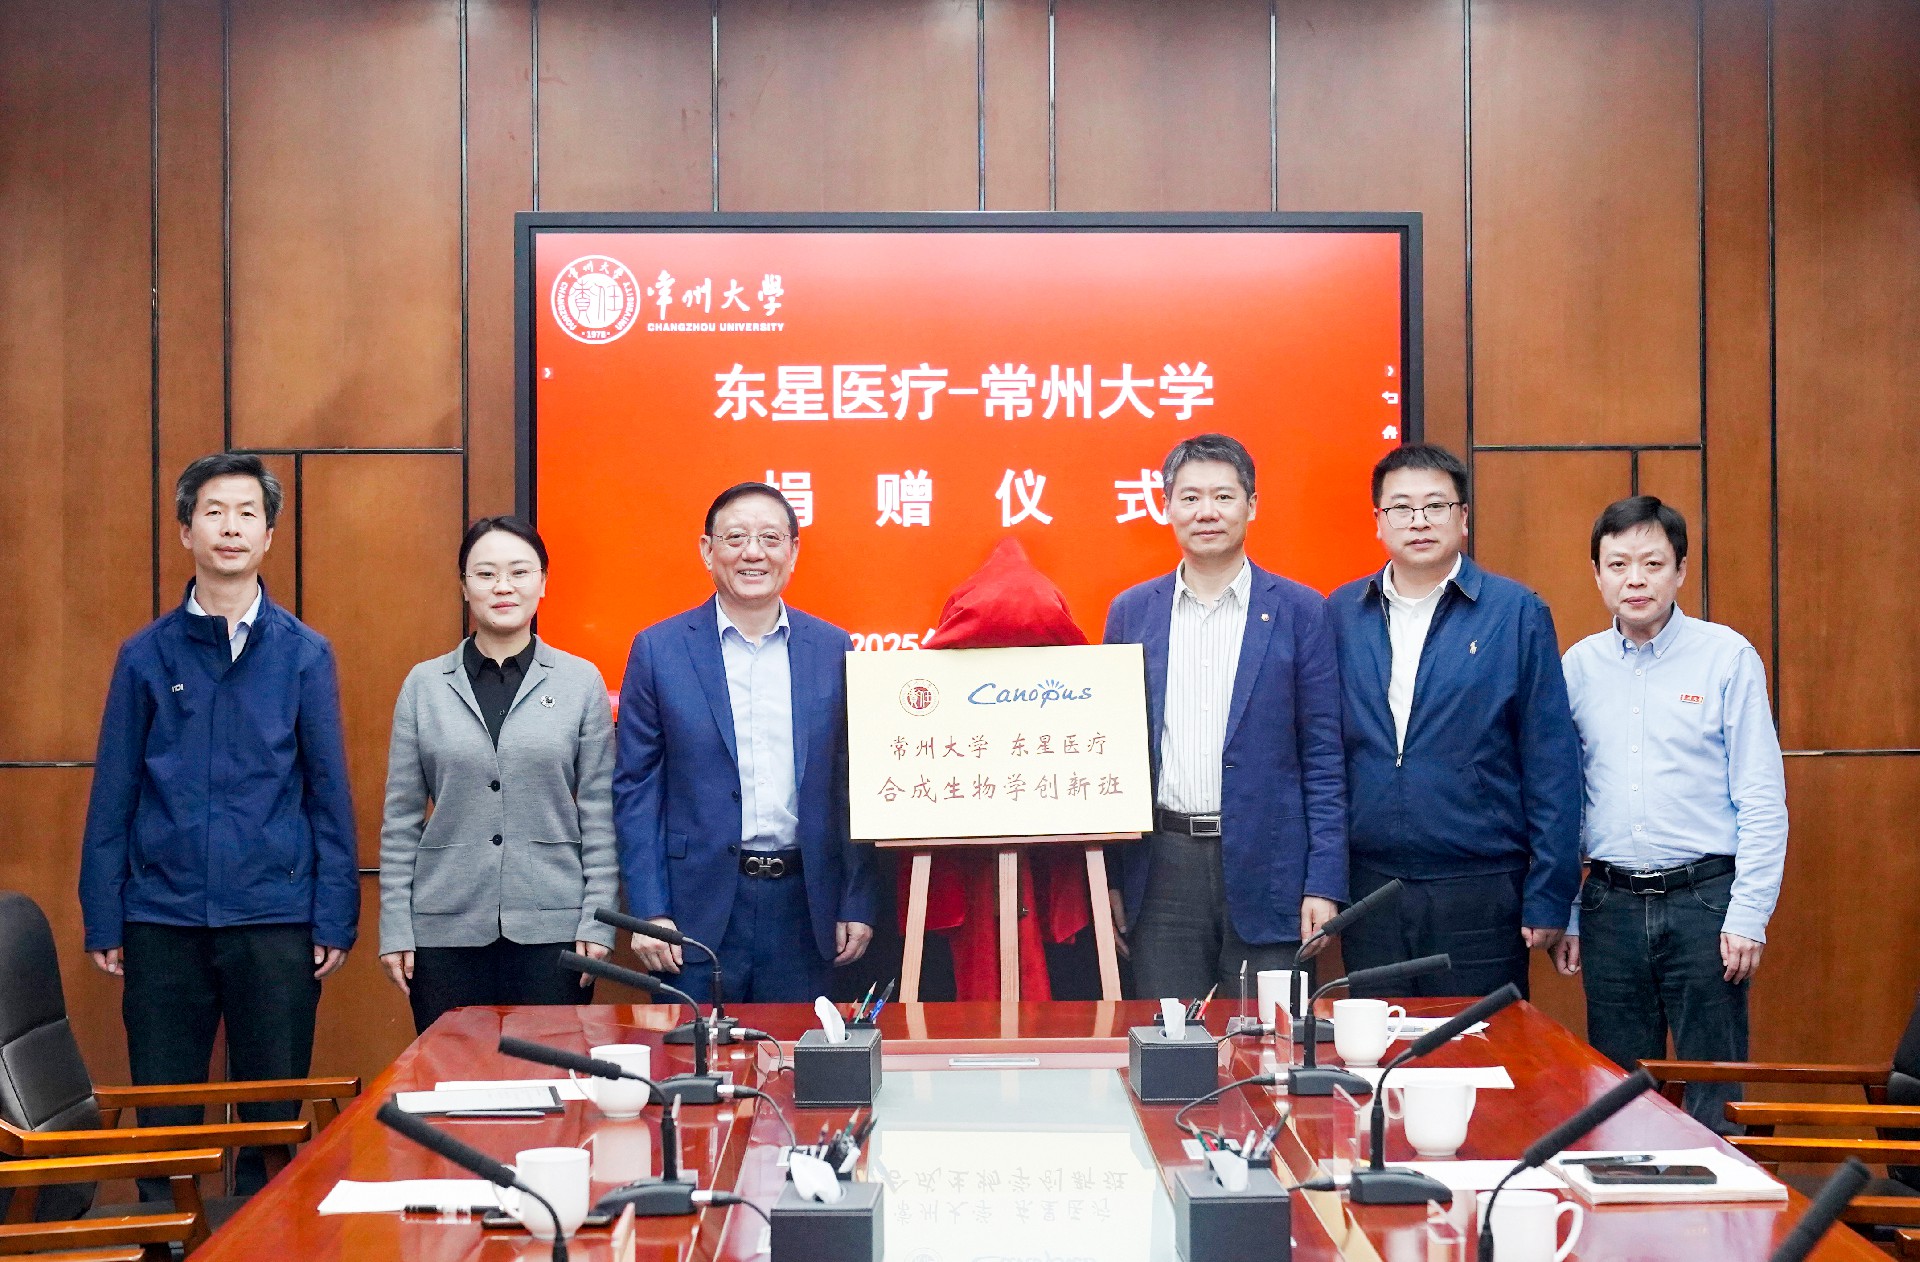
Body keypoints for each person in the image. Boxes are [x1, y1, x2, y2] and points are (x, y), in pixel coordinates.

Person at [78, 452, 358, 1196]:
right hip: (162, 918)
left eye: (247, 514)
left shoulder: (305, 655)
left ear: (268, 535)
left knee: (273, 1115)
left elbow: (328, 795)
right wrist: (105, 914)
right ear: (185, 531)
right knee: (165, 1114)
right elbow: (114, 793)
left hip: (275, 917)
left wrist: (334, 915)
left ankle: (268, 1240)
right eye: (213, 512)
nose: (230, 528)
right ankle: (164, 1240)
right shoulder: (145, 656)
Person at [1553, 496, 1786, 1131]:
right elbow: (1566, 800)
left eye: (1653, 563)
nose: (1635, 579)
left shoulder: (1726, 657)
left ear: (1681, 570)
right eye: (1618, 564)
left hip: (1705, 903)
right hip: (1610, 905)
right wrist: (1567, 908)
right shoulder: (1578, 667)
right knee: (1616, 1092)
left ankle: (1722, 1195)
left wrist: (1749, 913)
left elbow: (1761, 797)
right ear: (1597, 574)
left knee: (1715, 1094)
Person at [1327, 443, 1581, 998]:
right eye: (1401, 507)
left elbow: (1551, 760)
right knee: (1380, 1041)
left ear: (1463, 517)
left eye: (1435, 506)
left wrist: (1550, 891)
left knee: (1483, 1042)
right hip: (1371, 887)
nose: (1418, 521)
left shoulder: (1516, 612)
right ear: (1378, 521)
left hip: (1480, 886)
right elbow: (1323, 753)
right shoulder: (1342, 612)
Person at [1102, 434, 1348, 999]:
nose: (1206, 512)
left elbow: (1324, 757)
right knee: (1169, 1039)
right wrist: (1111, 879)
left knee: (1267, 1039)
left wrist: (1324, 882)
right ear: (1166, 507)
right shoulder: (1131, 612)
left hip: (1272, 866)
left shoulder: (1301, 610)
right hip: (1162, 868)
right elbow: (1116, 754)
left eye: (1223, 496)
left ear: (1251, 506)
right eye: (1190, 498)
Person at [612, 482, 875, 1001]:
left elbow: (852, 784)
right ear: (707, 550)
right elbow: (636, 789)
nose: (753, 552)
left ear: (792, 552)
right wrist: (648, 910)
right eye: (735, 538)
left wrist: (856, 899)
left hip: (806, 909)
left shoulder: (833, 648)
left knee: (799, 1052)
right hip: (691, 913)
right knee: (694, 1052)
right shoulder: (659, 649)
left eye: (770, 538)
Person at [377, 516, 618, 1034]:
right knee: (450, 1072)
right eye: (485, 574)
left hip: (554, 928)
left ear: (543, 582)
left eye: (519, 572)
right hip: (444, 928)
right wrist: (396, 925)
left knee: (549, 1073)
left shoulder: (580, 681)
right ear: (464, 586)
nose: (503, 586)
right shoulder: (424, 684)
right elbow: (400, 819)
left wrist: (597, 920)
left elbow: (600, 813)